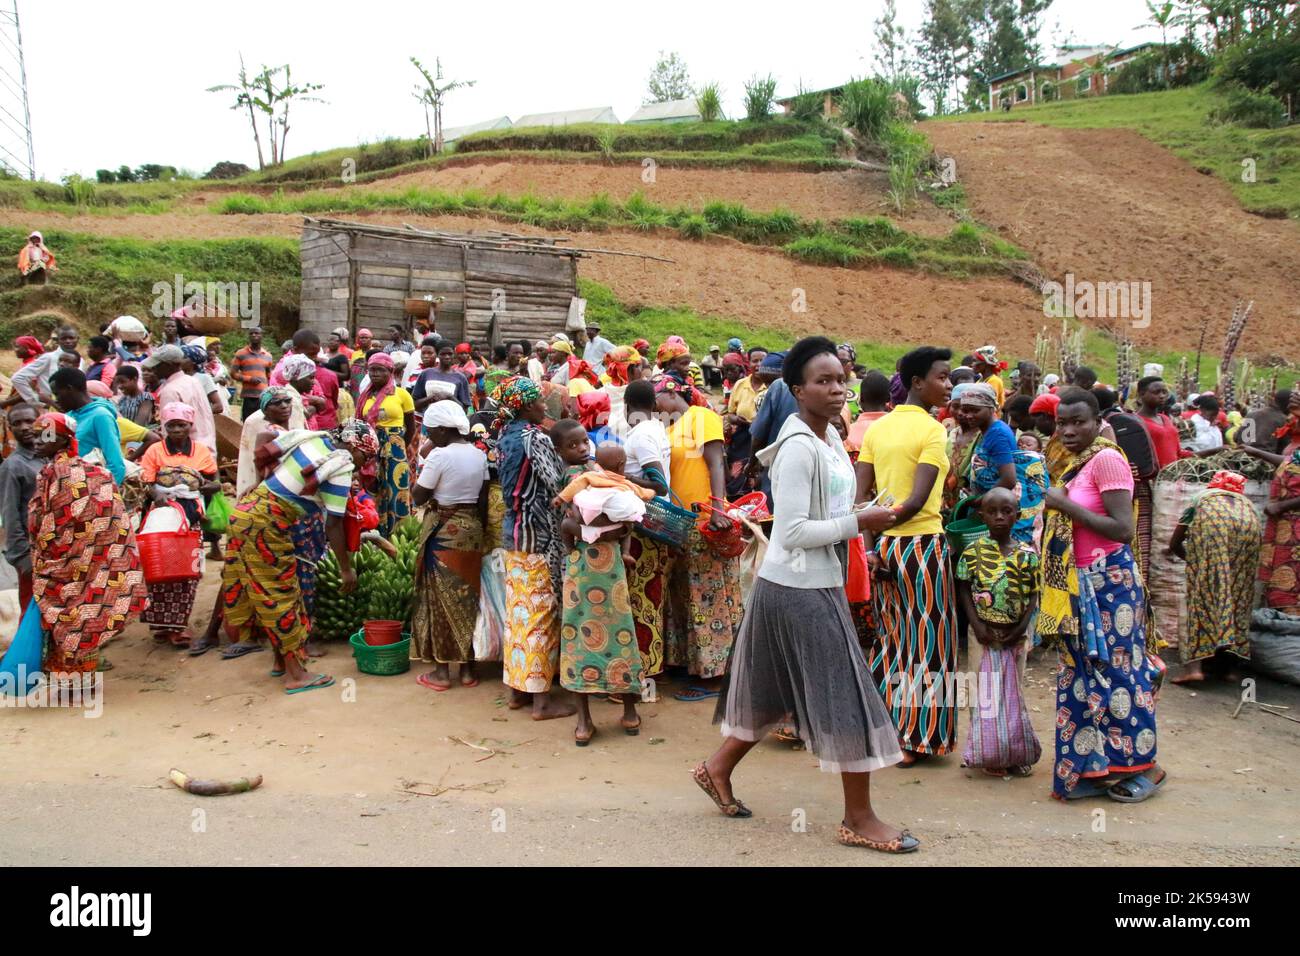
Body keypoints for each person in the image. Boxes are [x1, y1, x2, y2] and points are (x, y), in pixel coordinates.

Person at [696, 336, 914, 853]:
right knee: (848, 698)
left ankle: (714, 768)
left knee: (771, 692)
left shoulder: (829, 439)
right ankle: (858, 818)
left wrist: (859, 515)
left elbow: (829, 509)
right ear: (797, 389)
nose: (839, 389)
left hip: (806, 582)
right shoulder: (797, 449)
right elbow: (792, 531)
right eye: (824, 381)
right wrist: (859, 521)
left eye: (842, 379)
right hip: (798, 587)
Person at [1039, 387, 1165, 803]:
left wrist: (1064, 505)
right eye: (1063, 422)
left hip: (1109, 582)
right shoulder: (1073, 462)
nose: (1069, 430)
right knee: (1081, 676)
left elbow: (1122, 529)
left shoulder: (1108, 459)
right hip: (1078, 585)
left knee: (1120, 675)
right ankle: (1092, 767)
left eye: (1079, 422)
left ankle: (1146, 767)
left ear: (1098, 423)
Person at [855, 346, 956, 765]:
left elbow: (859, 498)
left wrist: (872, 547)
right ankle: (916, 738)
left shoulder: (878, 429)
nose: (948, 385)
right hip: (922, 548)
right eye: (942, 377)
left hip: (884, 548)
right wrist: (889, 532)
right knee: (928, 645)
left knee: (891, 640)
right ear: (918, 382)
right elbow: (916, 502)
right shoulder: (933, 431)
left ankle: (881, 729)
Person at [222, 422, 373, 692]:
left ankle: (281, 662)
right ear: (353, 446)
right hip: (265, 524)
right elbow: (334, 525)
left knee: (267, 589)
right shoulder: (340, 466)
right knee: (281, 594)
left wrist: (260, 481)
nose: (364, 464)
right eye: (366, 456)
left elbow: (265, 444)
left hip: (247, 511)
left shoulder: (313, 441)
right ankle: (295, 676)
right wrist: (346, 569)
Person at [27, 412, 148, 678]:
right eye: (35, 435)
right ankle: (82, 675)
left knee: (69, 613)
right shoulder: (95, 471)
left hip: (68, 558)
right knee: (85, 611)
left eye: (44, 434)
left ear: (62, 440)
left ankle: (74, 677)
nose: (36, 440)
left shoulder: (55, 473)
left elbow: (46, 521)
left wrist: (45, 556)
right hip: (93, 557)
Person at [493, 376, 577, 721]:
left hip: (514, 533)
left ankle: (517, 693)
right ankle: (542, 702)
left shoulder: (505, 435)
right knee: (540, 616)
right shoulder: (535, 437)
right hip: (537, 535)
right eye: (541, 401)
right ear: (527, 406)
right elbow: (556, 481)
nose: (546, 405)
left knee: (519, 615)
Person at [656, 377, 742, 700]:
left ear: (672, 392)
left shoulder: (701, 416)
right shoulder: (668, 429)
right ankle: (692, 664)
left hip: (705, 517)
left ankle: (715, 675)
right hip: (680, 522)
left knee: (710, 596)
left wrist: (718, 509)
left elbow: (716, 461)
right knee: (686, 594)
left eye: (658, 398)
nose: (655, 407)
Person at [557, 446, 648, 745]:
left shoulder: (585, 482)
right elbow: (626, 526)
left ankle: (584, 722)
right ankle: (630, 712)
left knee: (578, 638)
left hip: (583, 570)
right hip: (610, 569)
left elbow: (568, 524)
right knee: (620, 635)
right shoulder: (614, 490)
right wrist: (616, 541)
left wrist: (577, 543)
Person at [955, 486, 1042, 777]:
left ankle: (1013, 751)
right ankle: (988, 752)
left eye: (1006, 511)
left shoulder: (1028, 555)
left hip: (1015, 635)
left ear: (1017, 515)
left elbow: (1032, 596)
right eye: (992, 512)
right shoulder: (973, 552)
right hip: (983, 634)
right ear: (982, 516)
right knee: (985, 693)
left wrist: (1020, 629)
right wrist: (977, 627)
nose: (999, 517)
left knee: (1012, 693)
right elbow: (964, 589)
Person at [411, 400, 489, 692]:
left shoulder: (438, 457)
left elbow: (419, 496)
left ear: (444, 430)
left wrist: (427, 461)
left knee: (441, 601)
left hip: (443, 530)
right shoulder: (478, 455)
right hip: (471, 529)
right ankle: (468, 671)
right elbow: (481, 499)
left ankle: (442, 674)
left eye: (431, 431)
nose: (429, 436)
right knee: (469, 599)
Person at [137, 403, 219, 648]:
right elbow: (146, 481)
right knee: (159, 567)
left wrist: (205, 487)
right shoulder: (154, 451)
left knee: (186, 571)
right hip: (162, 515)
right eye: (171, 426)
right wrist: (157, 494)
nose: (176, 430)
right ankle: (162, 625)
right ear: (164, 427)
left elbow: (214, 481)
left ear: (189, 426)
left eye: (181, 425)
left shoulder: (201, 451)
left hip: (191, 517)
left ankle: (178, 626)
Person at [1167, 470, 1260, 684]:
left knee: (1200, 598)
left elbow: (1174, 544)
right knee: (1238, 597)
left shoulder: (1201, 498)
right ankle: (1227, 670)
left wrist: (1197, 565)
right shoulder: (1246, 503)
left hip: (1213, 529)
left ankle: (1194, 669)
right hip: (1249, 531)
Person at [963, 383, 1048, 546]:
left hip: (999, 506)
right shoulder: (990, 430)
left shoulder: (997, 434)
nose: (969, 416)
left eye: (975, 410)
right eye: (966, 410)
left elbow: (1009, 479)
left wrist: (979, 500)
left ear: (991, 408)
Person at [357, 353, 414, 536]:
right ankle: (377, 531)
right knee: (375, 487)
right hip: (370, 447)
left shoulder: (402, 395)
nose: (375, 374)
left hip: (395, 447)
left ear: (390, 372)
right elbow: (359, 424)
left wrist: (398, 445)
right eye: (372, 370)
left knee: (396, 489)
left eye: (380, 370)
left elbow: (410, 427)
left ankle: (398, 534)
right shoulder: (365, 396)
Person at [50, 368, 125, 485]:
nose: (56, 400)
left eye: (57, 394)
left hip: (94, 489)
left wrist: (105, 495)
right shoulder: (69, 416)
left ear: (69, 389)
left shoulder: (101, 416)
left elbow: (116, 464)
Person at [0, 404, 42, 610]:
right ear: (10, 428)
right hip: (30, 552)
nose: (25, 427)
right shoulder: (12, 466)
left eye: (29, 421)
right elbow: (10, 514)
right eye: (17, 423)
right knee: (30, 609)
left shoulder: (50, 456)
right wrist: (22, 557)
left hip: (54, 549)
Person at [145, 345, 217, 455]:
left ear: (168, 366)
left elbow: (171, 432)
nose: (153, 369)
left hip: (186, 454)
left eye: (156, 366)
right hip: (206, 448)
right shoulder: (193, 381)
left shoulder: (170, 391)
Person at [11, 325, 79, 405]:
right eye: (64, 338)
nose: (68, 341)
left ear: (77, 339)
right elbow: (18, 378)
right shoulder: (49, 358)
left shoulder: (81, 361)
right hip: (51, 408)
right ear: (58, 340)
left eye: (71, 338)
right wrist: (36, 401)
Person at [412, 343, 473, 411]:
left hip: (451, 420)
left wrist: (449, 397)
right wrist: (430, 398)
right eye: (443, 354)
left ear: (454, 355)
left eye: (450, 354)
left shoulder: (460, 378)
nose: (447, 357)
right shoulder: (426, 374)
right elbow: (414, 404)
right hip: (429, 419)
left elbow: (465, 410)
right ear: (437, 355)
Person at [232, 328, 275, 421]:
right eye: (251, 333)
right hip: (249, 396)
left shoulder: (268, 356)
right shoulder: (241, 354)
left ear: (261, 336)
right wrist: (249, 379)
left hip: (264, 396)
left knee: (263, 422)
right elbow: (233, 374)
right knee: (248, 422)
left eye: (257, 333)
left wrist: (270, 391)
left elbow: (269, 376)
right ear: (249, 336)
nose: (254, 335)